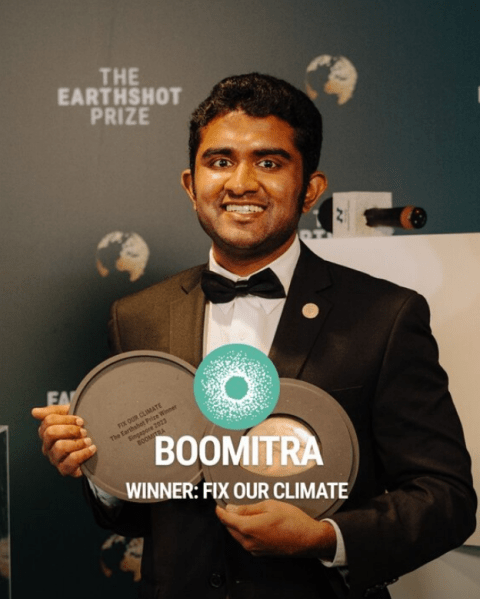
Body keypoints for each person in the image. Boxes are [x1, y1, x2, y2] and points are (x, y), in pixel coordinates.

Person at [32, 73, 476, 599]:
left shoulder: (385, 316)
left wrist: (324, 537)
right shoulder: (137, 317)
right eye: (220, 161)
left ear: (310, 188)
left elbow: (445, 498)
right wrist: (96, 470)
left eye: (269, 162)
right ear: (190, 184)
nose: (241, 183)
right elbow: (138, 513)